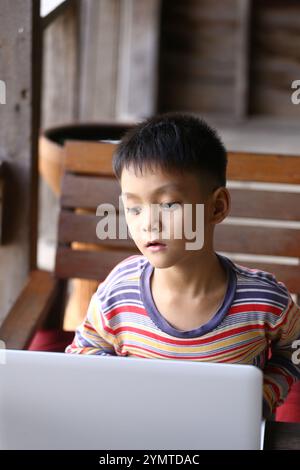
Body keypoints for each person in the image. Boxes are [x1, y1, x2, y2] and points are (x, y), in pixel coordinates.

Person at [65, 112, 300, 419]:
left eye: (168, 204)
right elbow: (82, 351)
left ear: (217, 207)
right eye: (133, 208)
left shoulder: (263, 301)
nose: (148, 224)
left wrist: (264, 396)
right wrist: (120, 388)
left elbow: (291, 351)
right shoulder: (119, 290)